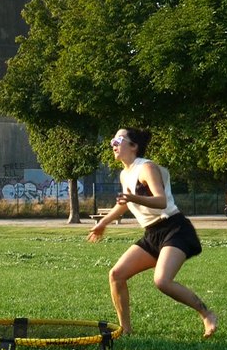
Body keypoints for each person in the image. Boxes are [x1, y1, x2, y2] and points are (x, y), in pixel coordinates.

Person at [88, 128, 218, 339]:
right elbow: (123, 204)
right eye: (112, 139)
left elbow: (161, 201)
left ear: (133, 146)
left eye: (119, 139)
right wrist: (103, 222)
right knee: (116, 275)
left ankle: (207, 314)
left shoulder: (146, 168)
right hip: (152, 234)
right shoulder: (125, 174)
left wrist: (132, 199)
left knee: (162, 281)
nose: (113, 143)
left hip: (174, 229)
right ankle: (126, 330)